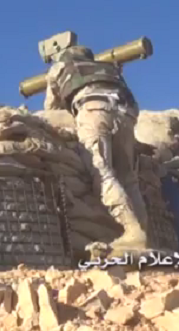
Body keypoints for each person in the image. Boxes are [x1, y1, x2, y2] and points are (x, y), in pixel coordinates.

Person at [46, 45, 149, 251]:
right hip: (127, 114)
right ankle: (143, 234)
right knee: (129, 179)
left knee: (102, 172)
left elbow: (51, 110)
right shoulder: (106, 68)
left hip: (93, 109)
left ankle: (133, 230)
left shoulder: (59, 68)